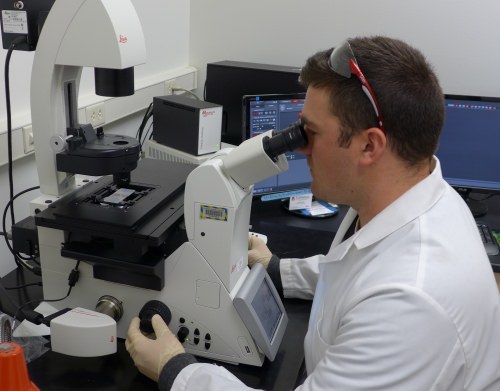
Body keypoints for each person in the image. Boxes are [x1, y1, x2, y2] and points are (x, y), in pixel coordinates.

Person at [125, 36, 500, 390]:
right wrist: (276, 269)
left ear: (369, 145)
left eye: (310, 133)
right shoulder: (416, 195)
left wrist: (176, 369)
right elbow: (357, 269)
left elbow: (383, 285)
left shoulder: (411, 303)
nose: (300, 149)